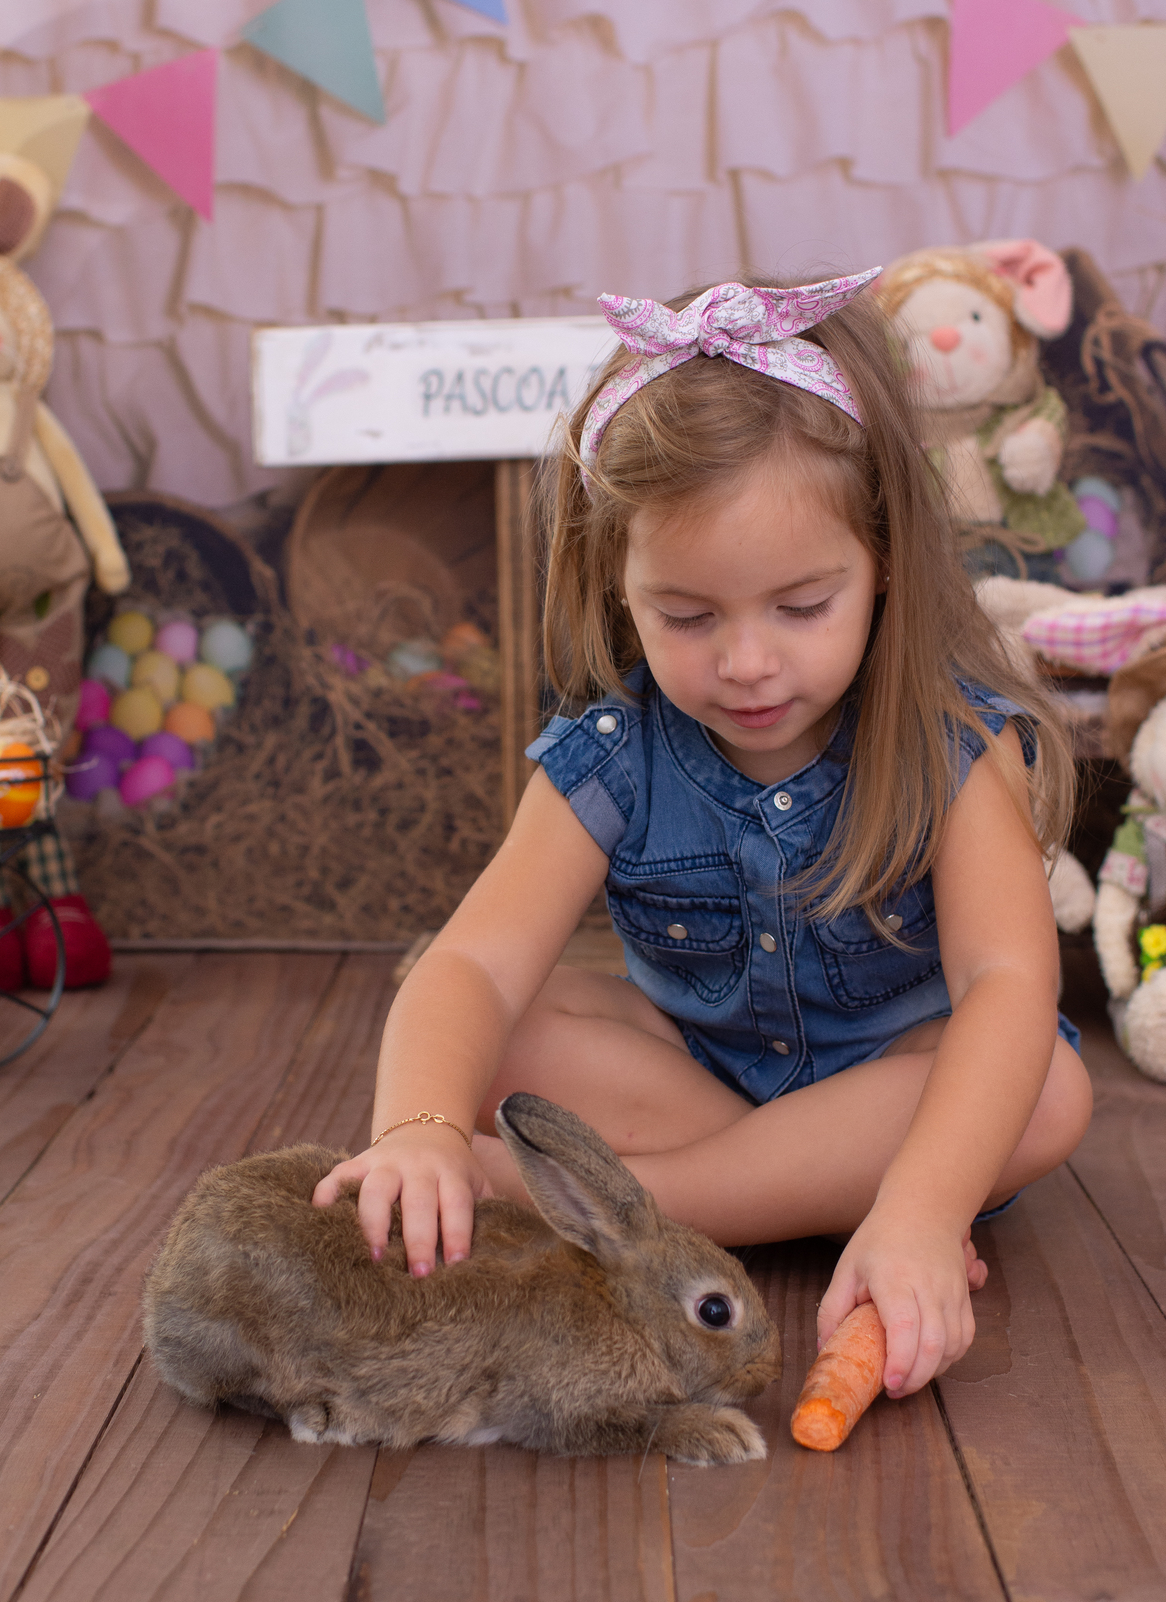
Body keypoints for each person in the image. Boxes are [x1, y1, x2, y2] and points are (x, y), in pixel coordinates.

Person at [314, 269, 1094, 1399]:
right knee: (501, 1031)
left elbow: (1008, 986)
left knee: (1050, 1090)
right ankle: (808, 1193)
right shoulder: (614, 750)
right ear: (618, 583)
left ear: (883, 565)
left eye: (801, 606)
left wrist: (924, 1205)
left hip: (900, 1101)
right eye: (686, 616)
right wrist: (421, 1126)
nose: (745, 661)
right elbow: (473, 962)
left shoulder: (953, 744)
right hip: (695, 1084)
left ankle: (653, 1207)